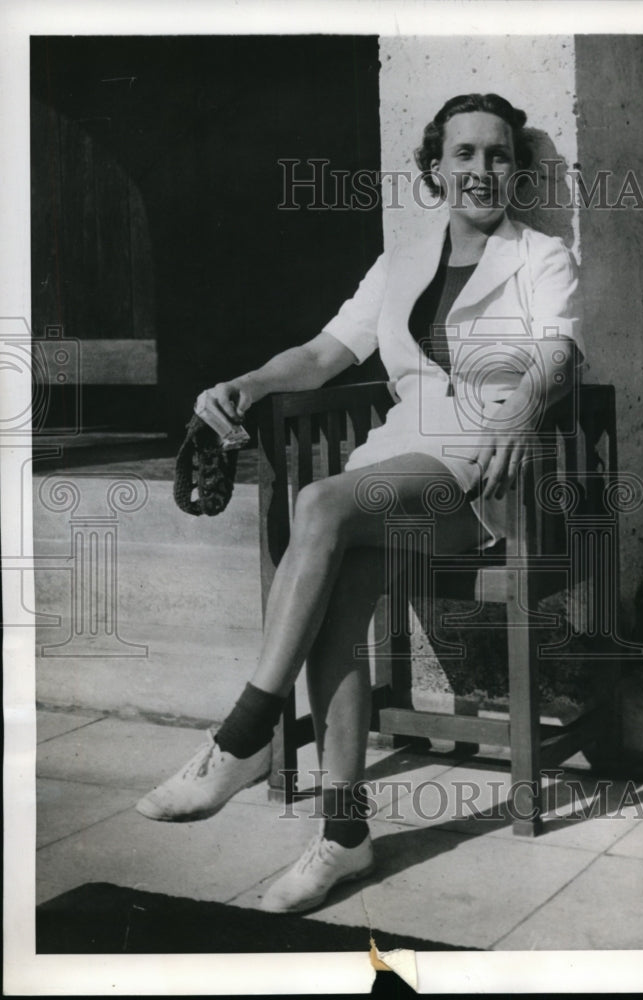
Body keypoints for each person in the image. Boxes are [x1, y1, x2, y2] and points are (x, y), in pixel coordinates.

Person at [136, 93, 583, 914]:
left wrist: (522, 406)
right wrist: (247, 384)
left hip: (482, 475)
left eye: (498, 154)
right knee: (339, 584)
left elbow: (560, 351)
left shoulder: (541, 256)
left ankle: (244, 736)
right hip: (397, 466)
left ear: (516, 170)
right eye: (464, 154)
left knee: (320, 504)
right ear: (435, 168)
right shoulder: (401, 262)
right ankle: (344, 835)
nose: (482, 169)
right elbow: (323, 353)